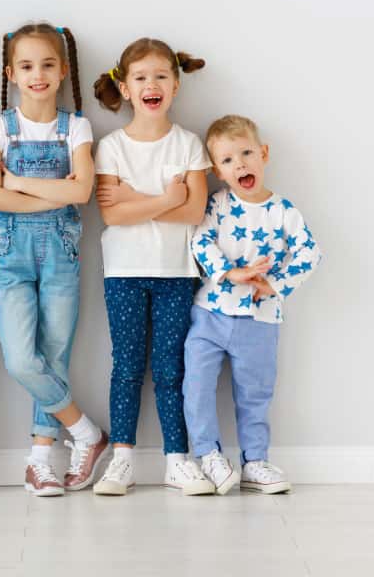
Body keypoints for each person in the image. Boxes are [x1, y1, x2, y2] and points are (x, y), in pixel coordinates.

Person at [0, 23, 108, 497]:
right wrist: (42, 195)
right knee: (21, 359)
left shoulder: (76, 127)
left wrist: (19, 184)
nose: (38, 74)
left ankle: (40, 460)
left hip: (61, 254)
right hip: (11, 257)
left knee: (53, 357)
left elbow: (82, 190)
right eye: (28, 66)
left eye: (47, 65)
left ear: (63, 71)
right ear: (11, 74)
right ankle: (87, 433)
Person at [91, 37, 215, 496]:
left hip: (177, 274)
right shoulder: (111, 147)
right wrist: (167, 197)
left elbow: (194, 212)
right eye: (141, 77)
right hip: (123, 271)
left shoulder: (187, 145)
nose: (152, 85)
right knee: (126, 366)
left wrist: (136, 199)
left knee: (170, 369)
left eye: (161, 76)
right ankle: (122, 459)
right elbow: (111, 215)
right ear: (124, 88)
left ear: (176, 86)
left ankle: (176, 460)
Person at [183, 114, 322, 495]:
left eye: (246, 153)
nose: (240, 164)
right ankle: (208, 454)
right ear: (217, 171)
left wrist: (273, 284)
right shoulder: (217, 205)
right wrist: (230, 273)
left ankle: (255, 462)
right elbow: (200, 242)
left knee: (255, 393)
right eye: (228, 160)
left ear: (263, 154)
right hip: (210, 312)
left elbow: (310, 253)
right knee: (196, 387)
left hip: (260, 319)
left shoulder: (283, 211)